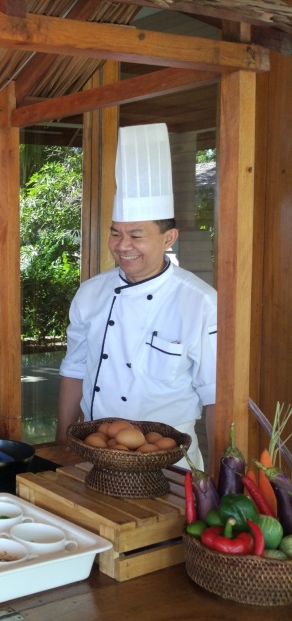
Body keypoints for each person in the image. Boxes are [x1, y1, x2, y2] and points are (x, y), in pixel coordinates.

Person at [55, 123, 215, 470]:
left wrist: (222, 474)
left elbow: (216, 393)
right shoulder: (91, 293)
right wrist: (62, 441)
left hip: (170, 463)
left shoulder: (200, 302)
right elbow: (74, 369)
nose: (123, 246)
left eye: (136, 235)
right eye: (116, 234)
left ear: (168, 237)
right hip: (93, 455)